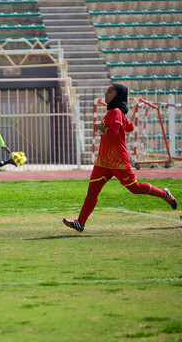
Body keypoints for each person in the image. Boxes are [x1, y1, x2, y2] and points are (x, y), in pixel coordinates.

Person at [63, 83, 177, 233]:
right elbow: (129, 127)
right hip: (103, 161)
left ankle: (164, 194)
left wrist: (99, 126)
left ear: (118, 95)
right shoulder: (115, 112)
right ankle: (80, 223)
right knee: (92, 192)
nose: (105, 94)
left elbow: (113, 132)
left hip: (118, 161)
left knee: (135, 189)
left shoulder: (115, 111)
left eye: (109, 92)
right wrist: (122, 119)